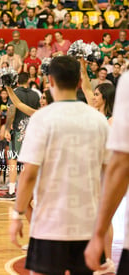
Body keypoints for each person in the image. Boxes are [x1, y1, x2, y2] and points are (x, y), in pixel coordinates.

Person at [10, 56, 109, 275]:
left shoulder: (42, 119)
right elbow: (108, 177)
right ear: (78, 82)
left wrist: (17, 215)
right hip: (88, 225)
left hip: (49, 227)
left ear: (50, 81)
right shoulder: (99, 120)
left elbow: (28, 174)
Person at [85, 71, 129, 275]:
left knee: (105, 216)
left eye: (97, 94)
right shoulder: (94, 115)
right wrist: (83, 66)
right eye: (93, 94)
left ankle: (108, 259)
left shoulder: (111, 121)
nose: (93, 97)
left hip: (106, 170)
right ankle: (102, 258)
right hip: (92, 170)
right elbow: (85, 87)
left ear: (105, 97)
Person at [0, 73, 40, 201]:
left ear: (17, 82)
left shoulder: (15, 92)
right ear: (28, 80)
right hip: (32, 130)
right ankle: (31, 190)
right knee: (30, 161)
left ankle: (11, 191)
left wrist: (7, 128)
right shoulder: (35, 94)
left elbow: (11, 110)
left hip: (18, 130)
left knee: (13, 160)